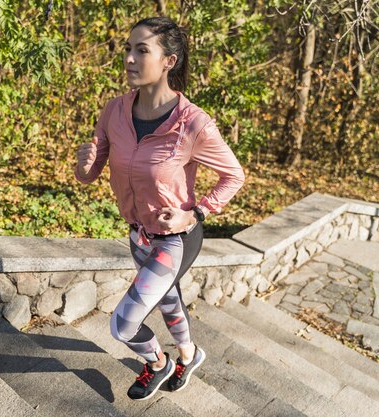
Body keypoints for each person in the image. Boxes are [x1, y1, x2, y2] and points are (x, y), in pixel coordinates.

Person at [74, 16, 245, 401]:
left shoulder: (193, 124)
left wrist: (196, 212)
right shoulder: (114, 111)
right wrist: (83, 167)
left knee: (123, 324)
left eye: (142, 50)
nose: (130, 59)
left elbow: (233, 176)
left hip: (176, 238)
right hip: (138, 235)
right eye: (128, 49)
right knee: (169, 303)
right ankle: (189, 355)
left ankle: (157, 363)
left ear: (168, 61)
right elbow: (90, 174)